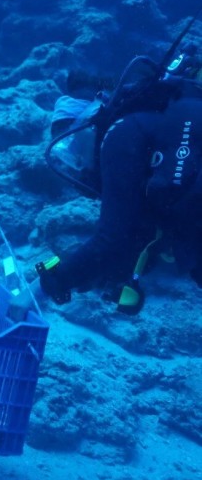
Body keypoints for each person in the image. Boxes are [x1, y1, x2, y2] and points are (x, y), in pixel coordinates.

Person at [34, 69, 202, 313]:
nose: (79, 167)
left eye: (73, 153)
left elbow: (110, 240)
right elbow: (137, 239)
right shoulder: (152, 134)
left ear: (86, 128)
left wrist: (38, 292)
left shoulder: (120, 136)